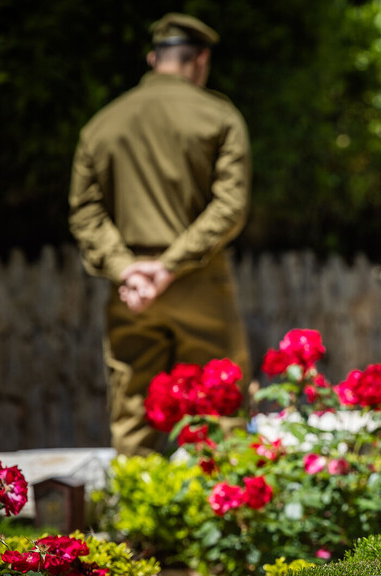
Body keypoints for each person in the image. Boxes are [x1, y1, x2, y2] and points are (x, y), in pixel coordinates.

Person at [68, 13, 251, 456]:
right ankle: (224, 496)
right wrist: (168, 267)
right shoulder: (220, 117)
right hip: (199, 283)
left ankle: (135, 495)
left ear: (154, 59)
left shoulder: (101, 124)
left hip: (131, 292)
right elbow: (229, 207)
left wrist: (127, 269)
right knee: (220, 406)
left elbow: (85, 212)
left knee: (132, 408)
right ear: (200, 60)